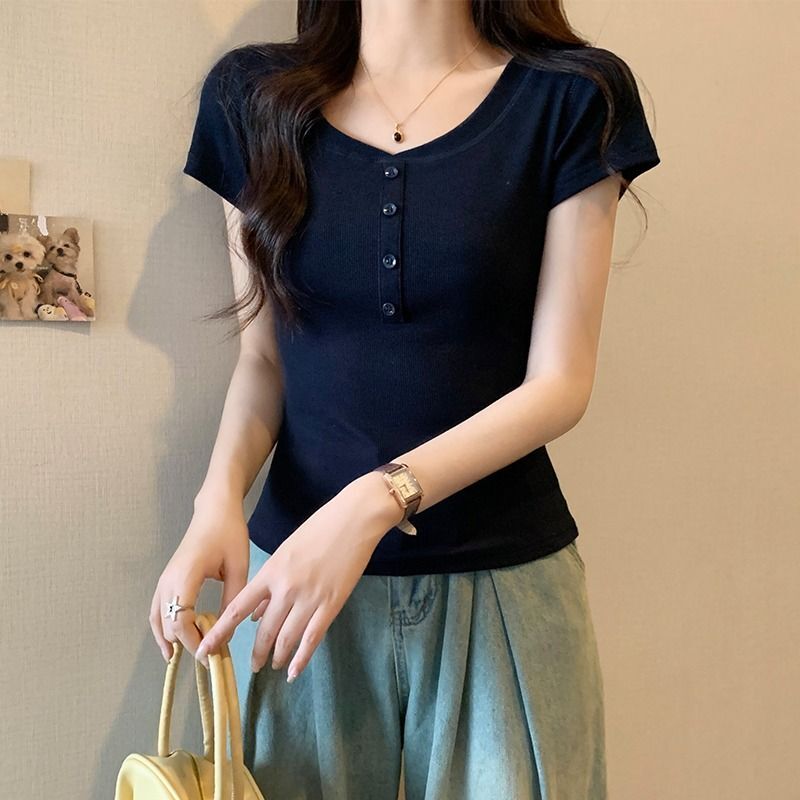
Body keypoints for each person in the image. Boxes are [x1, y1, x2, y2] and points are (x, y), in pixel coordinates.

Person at [151, 2, 661, 798]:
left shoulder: (571, 97)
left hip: (502, 586)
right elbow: (265, 358)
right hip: (292, 589)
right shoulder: (253, 98)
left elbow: (560, 384)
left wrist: (374, 502)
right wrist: (215, 501)